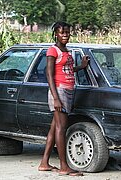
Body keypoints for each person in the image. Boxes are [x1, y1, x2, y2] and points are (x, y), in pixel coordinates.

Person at [38, 21, 89, 176]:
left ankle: (44, 163)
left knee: (55, 128)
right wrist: (56, 98)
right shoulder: (52, 51)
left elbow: (66, 69)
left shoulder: (65, 50)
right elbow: (49, 74)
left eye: (67, 32)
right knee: (61, 128)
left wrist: (81, 66)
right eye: (62, 32)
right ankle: (63, 166)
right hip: (59, 91)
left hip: (67, 90)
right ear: (56, 34)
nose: (65, 35)